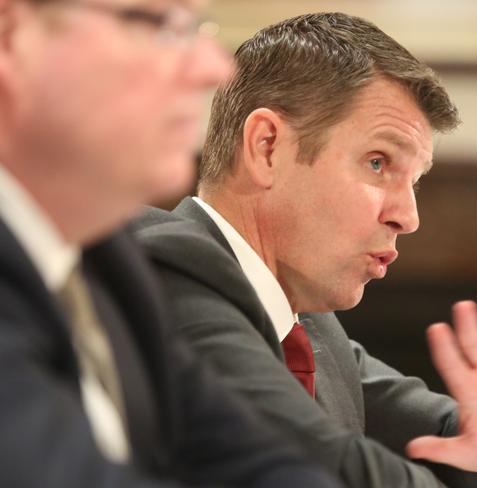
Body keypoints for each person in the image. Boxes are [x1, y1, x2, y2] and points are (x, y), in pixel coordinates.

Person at [134, 12, 477, 488]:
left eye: (415, 182)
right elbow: (320, 467)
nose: (408, 217)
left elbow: (449, 435)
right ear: (267, 147)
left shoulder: (310, 329)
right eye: (378, 163)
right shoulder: (169, 269)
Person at [0, 0, 342, 486]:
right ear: (12, 37)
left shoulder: (106, 253)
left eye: (196, 27)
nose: (214, 67)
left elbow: (250, 457)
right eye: (160, 24)